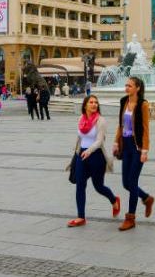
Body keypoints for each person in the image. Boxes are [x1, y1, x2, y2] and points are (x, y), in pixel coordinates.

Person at [67, 95, 120, 227]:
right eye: (91, 102)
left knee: (99, 187)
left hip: (96, 156)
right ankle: (81, 217)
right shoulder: (81, 118)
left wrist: (89, 151)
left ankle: (114, 200)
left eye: (96, 102)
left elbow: (100, 140)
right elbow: (80, 137)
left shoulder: (101, 120)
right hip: (81, 155)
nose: (94, 104)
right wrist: (77, 152)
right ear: (85, 105)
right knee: (80, 185)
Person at [113, 76, 154, 231]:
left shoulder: (143, 104)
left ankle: (130, 218)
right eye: (126, 85)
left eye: (130, 86)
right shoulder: (124, 101)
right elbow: (121, 124)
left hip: (137, 147)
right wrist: (116, 142)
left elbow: (145, 129)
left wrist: (145, 150)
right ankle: (146, 198)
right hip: (126, 145)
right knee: (126, 183)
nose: (126, 88)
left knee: (132, 181)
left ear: (137, 88)